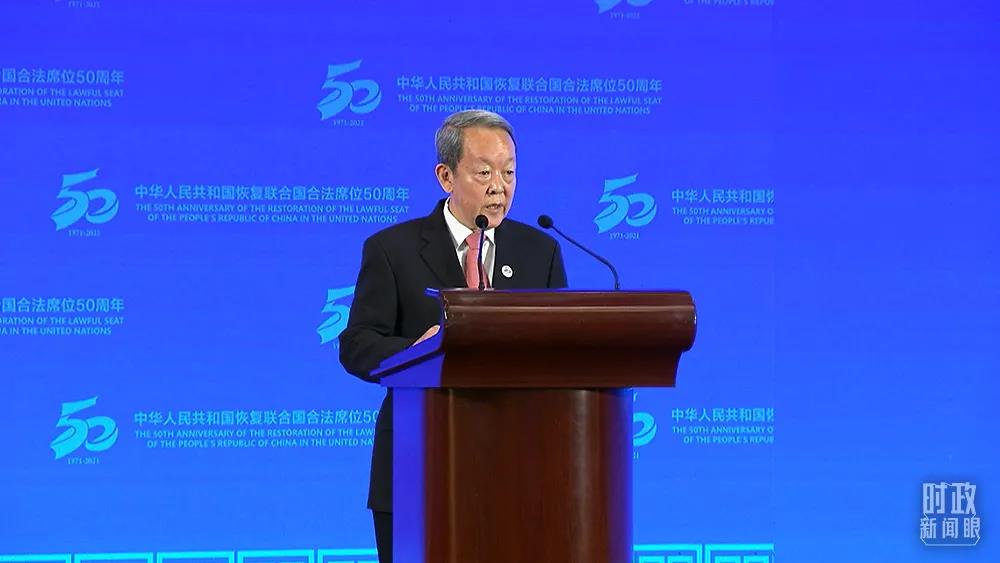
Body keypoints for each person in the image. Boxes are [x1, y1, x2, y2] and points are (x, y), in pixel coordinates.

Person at [339, 109, 568, 563]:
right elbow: (357, 344)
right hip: (418, 465)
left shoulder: (540, 251)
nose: (499, 186)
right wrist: (417, 352)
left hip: (518, 468)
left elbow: (559, 351)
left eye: (509, 172)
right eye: (484, 173)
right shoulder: (393, 250)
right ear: (446, 176)